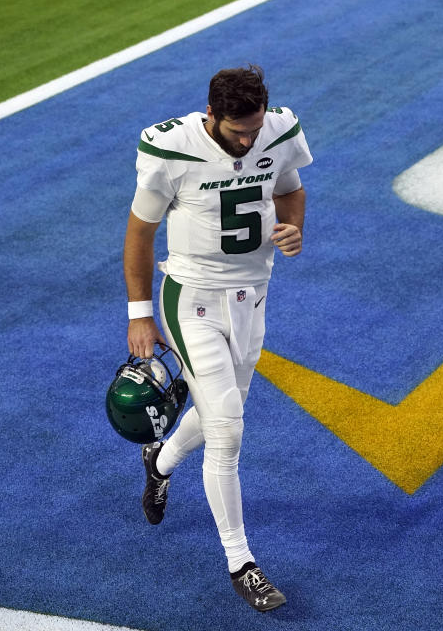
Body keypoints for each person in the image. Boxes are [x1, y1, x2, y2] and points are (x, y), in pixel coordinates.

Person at [122, 64, 312, 612]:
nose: (248, 140)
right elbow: (140, 231)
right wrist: (139, 314)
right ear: (211, 114)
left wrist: (293, 229)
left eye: (254, 129)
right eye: (236, 132)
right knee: (227, 431)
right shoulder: (171, 149)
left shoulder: (277, 131)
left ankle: (159, 464)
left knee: (215, 415)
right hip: (192, 300)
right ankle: (241, 563)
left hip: (253, 297)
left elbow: (291, 191)